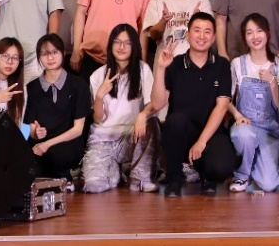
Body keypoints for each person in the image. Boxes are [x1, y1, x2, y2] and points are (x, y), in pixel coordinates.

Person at [153, 12, 236, 196]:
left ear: (213, 38)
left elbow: (222, 107)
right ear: (188, 35)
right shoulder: (174, 64)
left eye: (207, 32)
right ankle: (174, 178)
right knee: (175, 122)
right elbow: (158, 104)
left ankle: (206, 175)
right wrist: (160, 68)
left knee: (222, 167)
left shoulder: (222, 65)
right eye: (197, 30)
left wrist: (201, 141)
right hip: (182, 133)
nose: (202, 36)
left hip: (211, 132)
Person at [82, 25, 158, 193]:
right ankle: (117, 172)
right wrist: (99, 96)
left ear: (134, 46)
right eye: (117, 42)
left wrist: (142, 115)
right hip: (103, 139)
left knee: (151, 122)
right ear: (110, 45)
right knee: (94, 186)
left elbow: (152, 105)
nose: (121, 47)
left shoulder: (143, 70)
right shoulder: (98, 75)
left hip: (132, 138)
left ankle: (139, 178)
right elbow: (97, 119)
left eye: (127, 43)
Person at [228, 14, 279, 193]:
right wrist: (237, 115)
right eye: (249, 33)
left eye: (259, 31)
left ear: (267, 33)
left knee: (269, 184)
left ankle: (255, 162)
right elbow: (226, 99)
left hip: (271, 130)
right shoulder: (237, 64)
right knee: (245, 136)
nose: (255, 37)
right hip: (245, 124)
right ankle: (242, 175)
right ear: (244, 37)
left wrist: (272, 82)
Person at [24, 34, 88, 181]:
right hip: (40, 144)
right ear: (39, 57)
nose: (50, 57)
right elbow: (29, 126)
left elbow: (78, 130)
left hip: (68, 142)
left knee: (57, 155)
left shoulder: (78, 85)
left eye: (54, 52)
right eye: (45, 53)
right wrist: (35, 133)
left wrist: (47, 144)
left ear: (63, 53)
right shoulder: (31, 88)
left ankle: (65, 179)